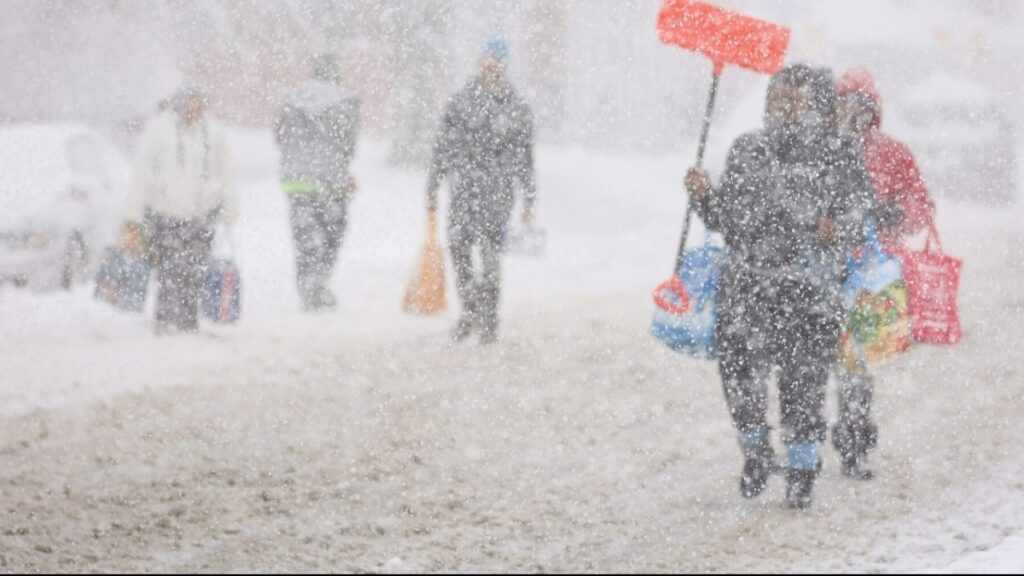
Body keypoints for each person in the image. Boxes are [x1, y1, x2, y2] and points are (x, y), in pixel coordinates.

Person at [685, 64, 875, 509]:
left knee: (802, 385)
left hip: (809, 292)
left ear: (817, 106)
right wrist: (702, 196)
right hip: (746, 287)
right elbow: (726, 220)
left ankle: (803, 468)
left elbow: (857, 211)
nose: (783, 107)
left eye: (795, 99)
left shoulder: (838, 153)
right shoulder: (748, 149)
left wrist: (838, 228)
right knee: (740, 381)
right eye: (777, 98)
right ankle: (755, 452)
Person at [831, 68, 936, 480]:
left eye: (859, 106)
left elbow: (920, 203)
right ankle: (835, 432)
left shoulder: (892, 153)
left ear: (872, 110)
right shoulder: (821, 152)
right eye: (843, 105)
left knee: (857, 358)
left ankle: (854, 432)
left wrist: (894, 213)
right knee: (836, 359)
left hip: (873, 274)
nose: (851, 114)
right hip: (829, 267)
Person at [425, 39, 538, 344]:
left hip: (498, 193)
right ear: (480, 62)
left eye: (498, 61)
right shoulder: (461, 101)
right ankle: (470, 309)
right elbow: (443, 146)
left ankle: (487, 318)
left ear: (504, 65)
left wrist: (529, 196)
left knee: (489, 254)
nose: (492, 66)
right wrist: (433, 185)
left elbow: (524, 155)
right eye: (488, 59)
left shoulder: (515, 107)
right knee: (459, 248)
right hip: (463, 189)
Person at [124, 84, 237, 335]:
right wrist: (132, 216)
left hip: (201, 216)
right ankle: (165, 321)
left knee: (194, 272)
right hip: (165, 215)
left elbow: (226, 174)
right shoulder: (160, 130)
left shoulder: (212, 133)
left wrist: (229, 210)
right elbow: (141, 173)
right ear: (180, 102)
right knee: (168, 271)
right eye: (191, 102)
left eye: (199, 102)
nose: (195, 108)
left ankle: (187, 322)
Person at [275, 53, 361, 311]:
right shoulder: (345, 101)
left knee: (304, 237)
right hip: (331, 181)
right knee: (332, 234)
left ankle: (307, 285)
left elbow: (279, 134)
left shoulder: (293, 99)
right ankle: (319, 282)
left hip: (298, 181)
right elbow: (349, 144)